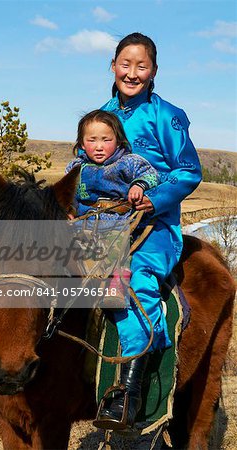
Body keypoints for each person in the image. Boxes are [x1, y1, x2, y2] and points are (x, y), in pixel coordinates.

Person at [88, 32, 202, 431]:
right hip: (104, 222)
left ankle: (129, 393)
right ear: (113, 65)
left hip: (153, 224)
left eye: (142, 65)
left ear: (153, 71)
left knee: (132, 280)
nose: (132, 72)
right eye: (125, 63)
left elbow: (189, 170)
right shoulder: (101, 114)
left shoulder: (167, 115)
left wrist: (154, 198)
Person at [66, 109, 159, 307]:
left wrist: (138, 185)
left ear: (118, 140)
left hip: (117, 220)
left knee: (118, 246)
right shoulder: (76, 167)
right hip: (84, 221)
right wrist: (68, 211)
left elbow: (151, 174)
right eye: (92, 140)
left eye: (106, 140)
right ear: (82, 143)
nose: (99, 147)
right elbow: (69, 193)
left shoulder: (129, 161)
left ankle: (118, 284)